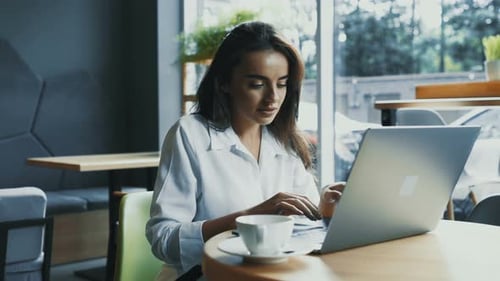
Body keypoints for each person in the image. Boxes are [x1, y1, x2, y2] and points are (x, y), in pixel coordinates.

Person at [146, 21, 345, 281]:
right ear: (224, 83)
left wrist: (325, 210)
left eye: (282, 84)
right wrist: (250, 216)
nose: (273, 98)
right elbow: (163, 238)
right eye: (257, 84)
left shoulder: (285, 139)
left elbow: (303, 227)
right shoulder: (190, 134)